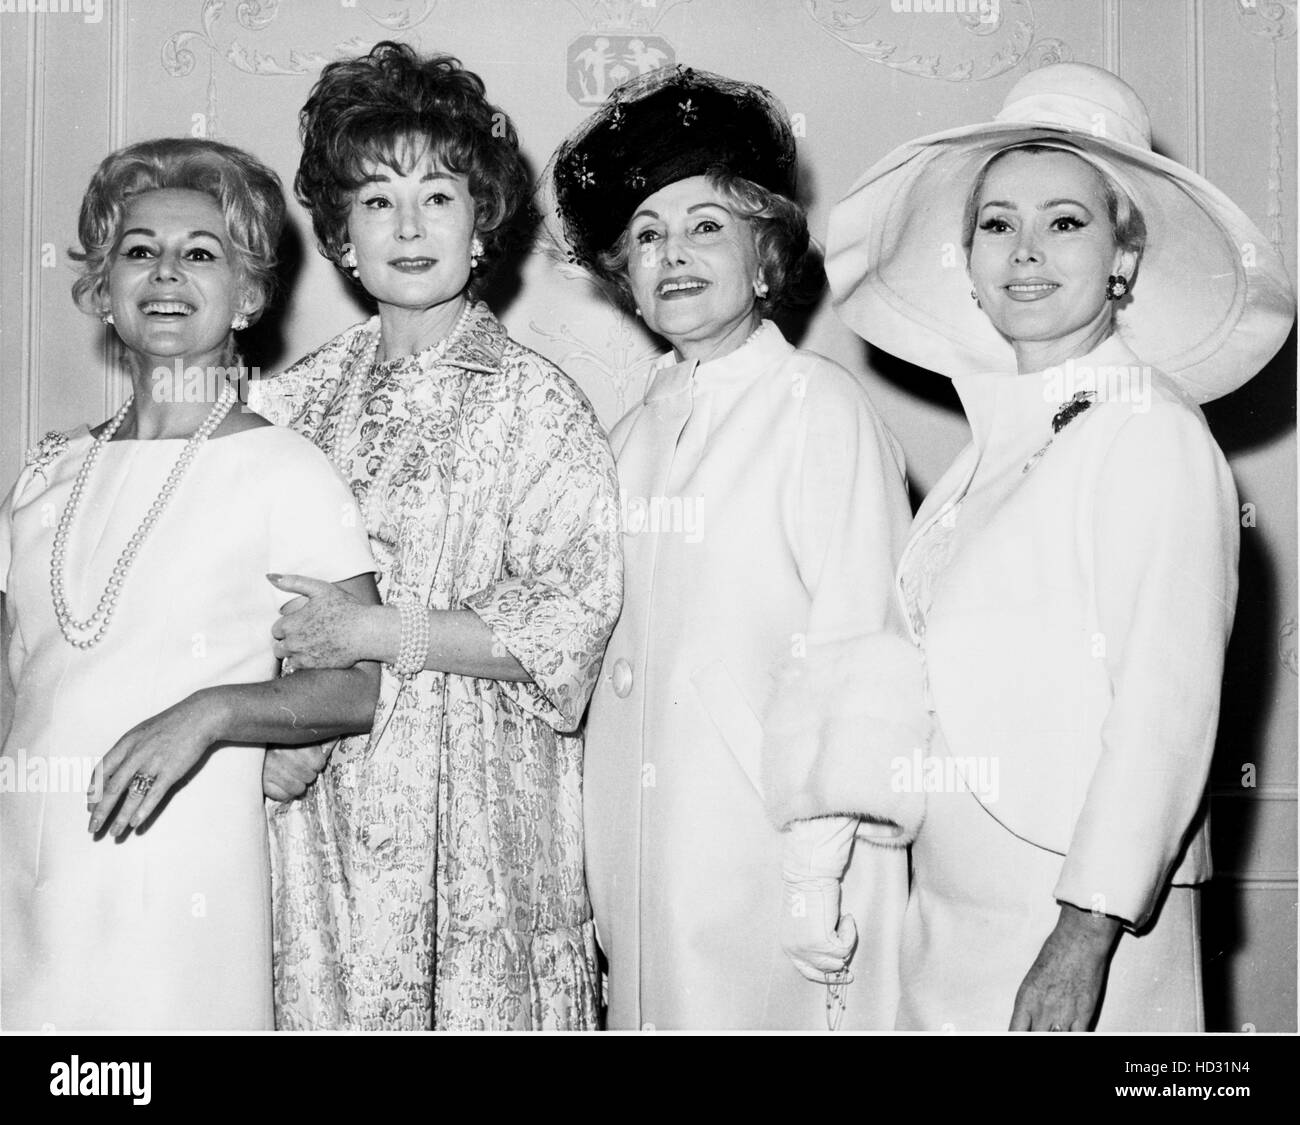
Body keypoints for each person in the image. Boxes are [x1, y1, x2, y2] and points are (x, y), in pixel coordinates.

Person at [815, 62, 1296, 1030]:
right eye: (996, 223)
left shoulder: (1150, 433)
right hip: (947, 906)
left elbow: (1162, 711)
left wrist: (1083, 935)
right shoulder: (992, 444)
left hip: (1075, 914)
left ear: (1123, 259)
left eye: (1065, 221)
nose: (1024, 252)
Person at [248, 41, 622, 1031]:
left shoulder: (540, 404)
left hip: (488, 839)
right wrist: (270, 736)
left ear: (482, 220)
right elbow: (235, 603)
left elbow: (571, 619)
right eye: (376, 200)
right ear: (338, 233)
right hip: (322, 822)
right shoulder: (290, 403)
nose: (408, 227)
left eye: (438, 195)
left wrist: (382, 634)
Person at [550, 65, 917, 1030]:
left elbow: (859, 659)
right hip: (650, 884)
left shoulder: (819, 412)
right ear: (621, 274)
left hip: (784, 877)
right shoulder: (628, 435)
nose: (674, 253)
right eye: (647, 233)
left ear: (766, 250)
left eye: (706, 225)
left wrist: (813, 877)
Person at [0, 138, 380, 1031]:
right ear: (101, 288)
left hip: (179, 872)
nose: (166, 272)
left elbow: (359, 684)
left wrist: (209, 713)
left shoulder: (285, 469)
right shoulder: (45, 478)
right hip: (29, 868)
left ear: (248, 293)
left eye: (200, 253)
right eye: (139, 249)